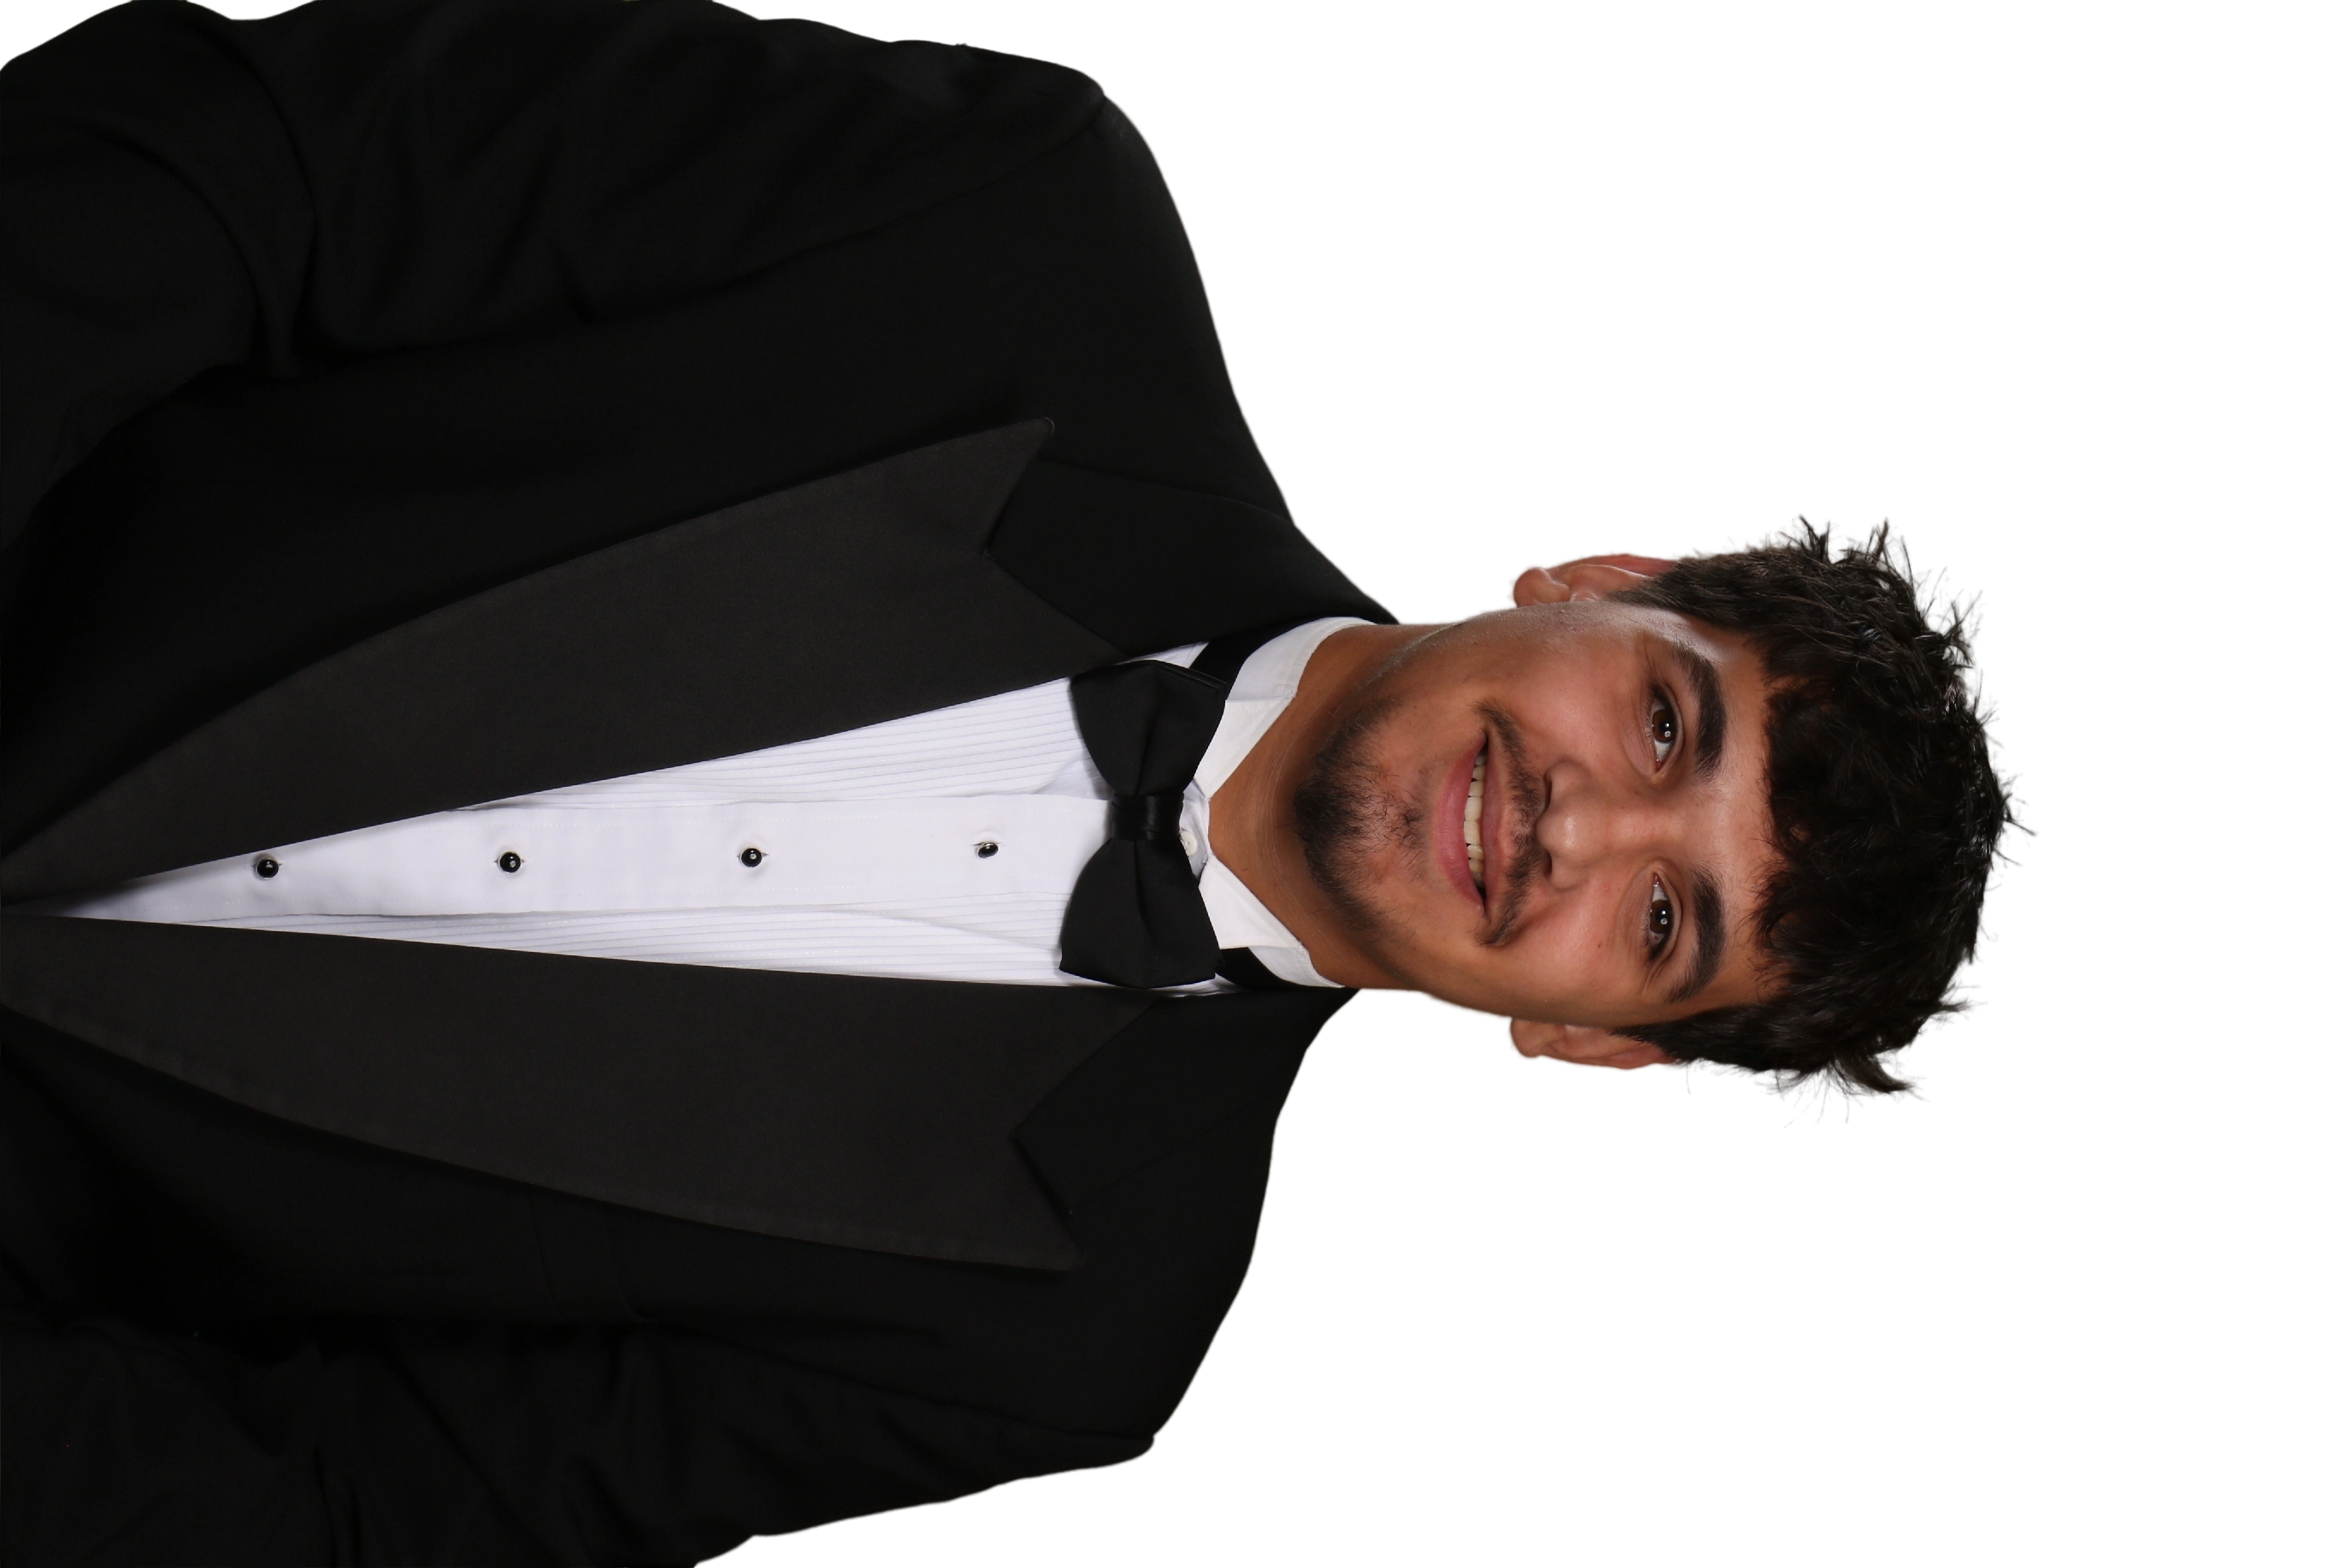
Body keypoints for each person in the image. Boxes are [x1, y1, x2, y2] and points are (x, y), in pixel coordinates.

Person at [0, 2, 2032, 1563]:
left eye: (1665, 920)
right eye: (1669, 726)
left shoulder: (1067, 1340)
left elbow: (331, 1509)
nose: (1577, 827)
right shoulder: (1018, 228)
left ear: (1591, 1044)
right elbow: (263, 165)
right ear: (1603, 585)